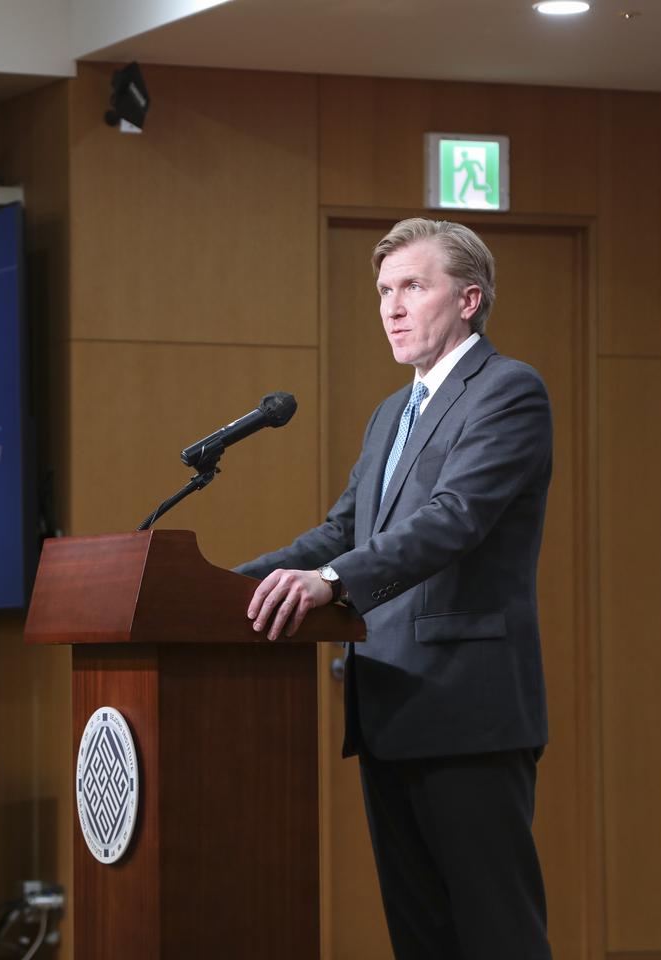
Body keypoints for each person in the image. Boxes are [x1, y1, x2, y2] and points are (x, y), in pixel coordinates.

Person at [237, 219, 553, 959]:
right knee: (423, 939)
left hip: (467, 709)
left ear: (469, 298)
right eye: (384, 291)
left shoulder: (507, 390)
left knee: (495, 935)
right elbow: (341, 532)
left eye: (414, 286)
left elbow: (455, 519)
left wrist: (332, 583)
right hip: (390, 704)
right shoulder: (391, 414)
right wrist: (228, 589)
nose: (392, 307)